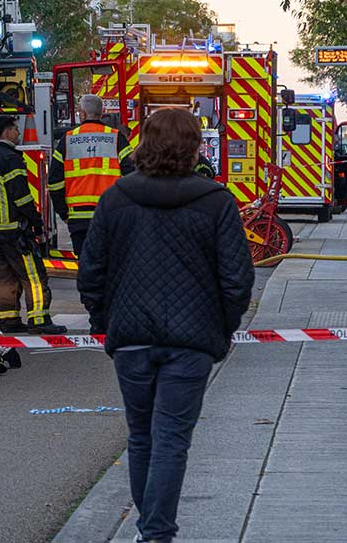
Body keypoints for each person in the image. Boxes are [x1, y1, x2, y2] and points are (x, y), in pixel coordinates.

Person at [77, 108, 254, 543]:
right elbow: (237, 278)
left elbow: (90, 272)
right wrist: (222, 329)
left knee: (141, 437)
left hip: (131, 340)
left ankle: (151, 530)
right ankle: (156, 533)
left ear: (144, 144)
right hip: (192, 343)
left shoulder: (115, 198)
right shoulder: (216, 201)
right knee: (172, 438)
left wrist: (105, 323)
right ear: (195, 147)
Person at [0, 115, 67, 335]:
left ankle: (9, 320)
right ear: (6, 131)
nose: (18, 133)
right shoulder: (11, 159)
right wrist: (36, 221)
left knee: (5, 277)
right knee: (34, 276)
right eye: (15, 129)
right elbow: (21, 197)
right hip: (15, 230)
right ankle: (39, 320)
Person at [47, 94, 135, 256]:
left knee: (86, 264)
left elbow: (54, 182)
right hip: (110, 215)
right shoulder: (116, 138)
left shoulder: (68, 140)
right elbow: (133, 176)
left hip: (79, 219)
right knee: (111, 264)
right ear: (102, 113)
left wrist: (63, 213)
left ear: (82, 113)